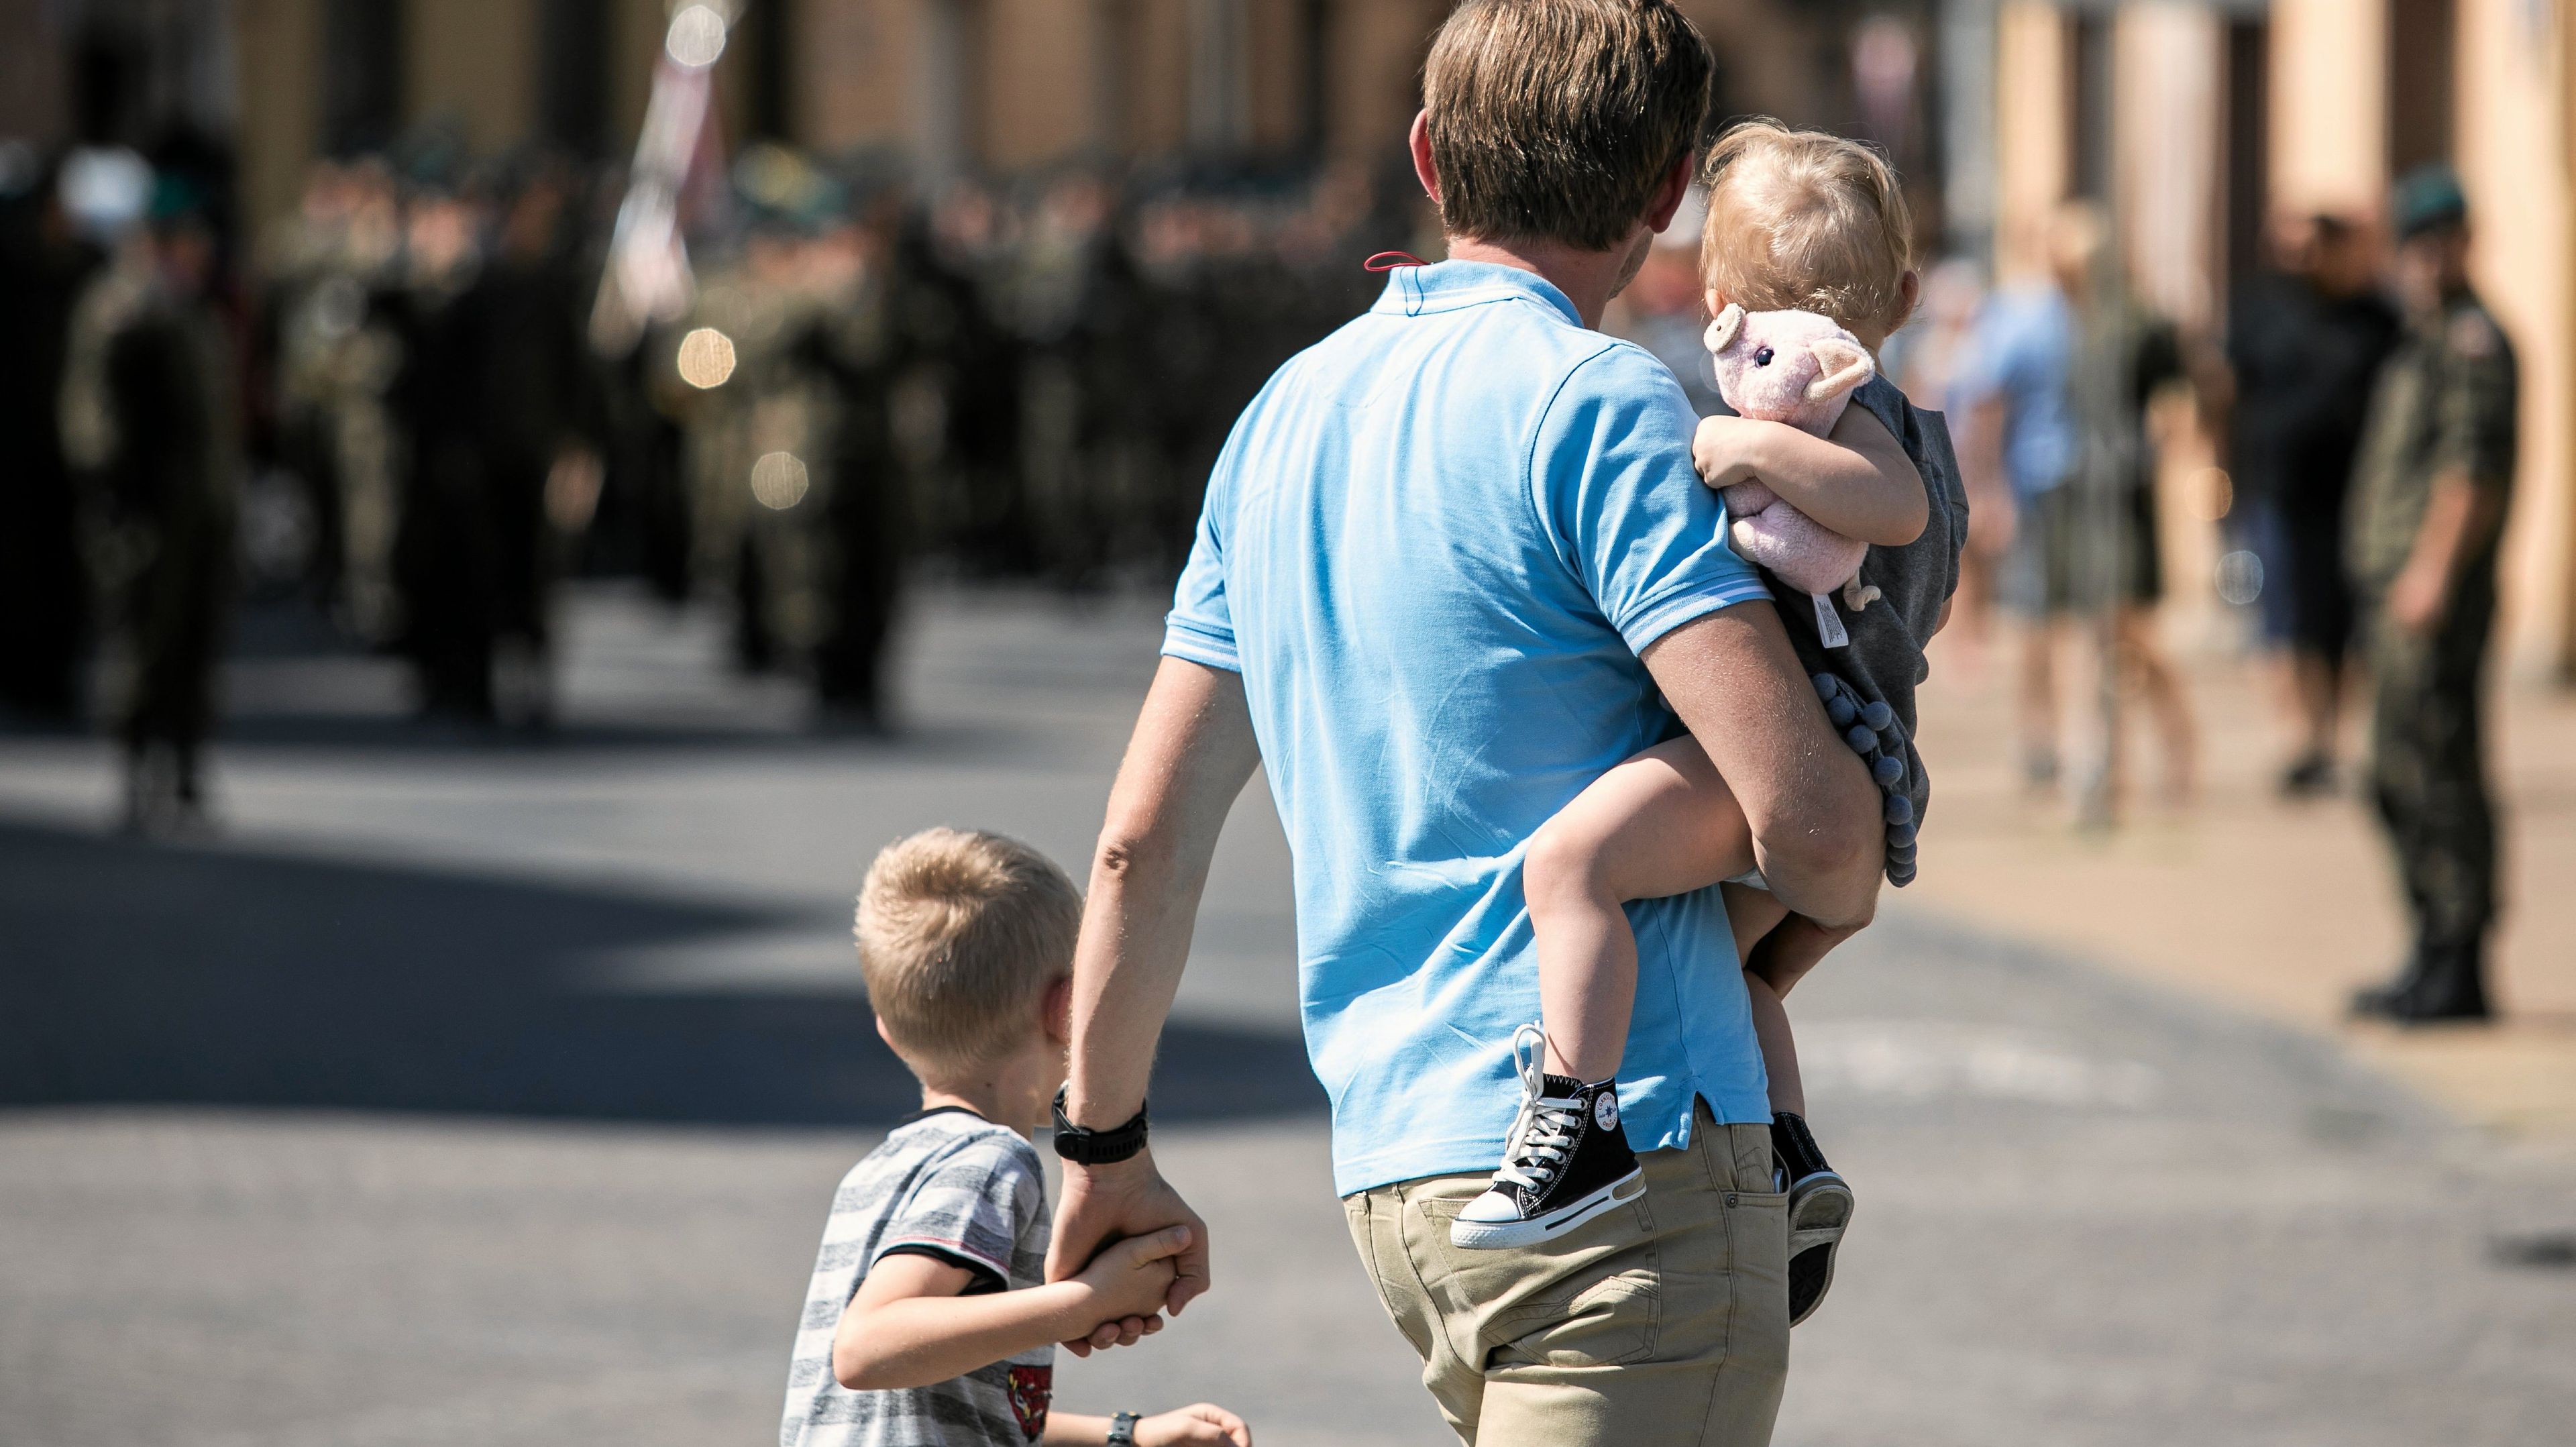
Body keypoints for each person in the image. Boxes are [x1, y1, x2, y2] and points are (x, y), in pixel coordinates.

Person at [1045, 4, 1889, 1442]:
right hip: (1634, 1166)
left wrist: (1101, 1144)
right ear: (1666, 191)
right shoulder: (1602, 404)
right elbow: (1816, 833)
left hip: (1401, 1171)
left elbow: (1140, 841)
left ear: (1430, 158)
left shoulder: (1282, 417)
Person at [1482, 121, 1964, 1341]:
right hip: (1872, 773)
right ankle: (1794, 1159)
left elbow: (1890, 511)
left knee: (1572, 864)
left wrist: (1746, 444)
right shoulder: (1909, 419)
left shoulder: (1825, 414)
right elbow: (1929, 578)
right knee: (1742, 978)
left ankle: (1577, 1119)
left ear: (1713, 297)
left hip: (1801, 752)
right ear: (1908, 293)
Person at [780, 827, 1254, 1447]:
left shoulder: (880, 1170)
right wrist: (1084, 1301)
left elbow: (954, 1407)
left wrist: (1125, 1436)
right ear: (1068, 1010)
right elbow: (867, 1349)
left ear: (888, 1029)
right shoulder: (992, 1161)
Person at [2346, 168, 2516, 1025]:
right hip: (2395, 595)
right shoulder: (2423, 336)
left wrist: (2431, 575)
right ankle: (2429, 945)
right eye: (2413, 242)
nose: (2424, 258)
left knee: (2438, 768)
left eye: (2437, 241)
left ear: (2462, 243)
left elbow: (2469, 474)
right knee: (2391, 770)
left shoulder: (2473, 342)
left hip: (2434, 600)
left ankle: (2461, 957)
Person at [1959, 202, 2196, 806]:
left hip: (2115, 493)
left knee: (2121, 627)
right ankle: (2058, 752)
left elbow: (2175, 398)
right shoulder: (2028, 319)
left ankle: (2165, 742)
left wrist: (2161, 453)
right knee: (2045, 626)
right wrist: (1987, 491)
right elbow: (1990, 407)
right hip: (2046, 488)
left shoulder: (2129, 323)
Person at [2227, 213, 2400, 795]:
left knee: (2342, 624)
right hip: (2278, 490)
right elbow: (2226, 389)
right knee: (2286, 620)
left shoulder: (2376, 317)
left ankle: (2332, 737)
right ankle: (2300, 736)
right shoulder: (2260, 308)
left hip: (2357, 496)